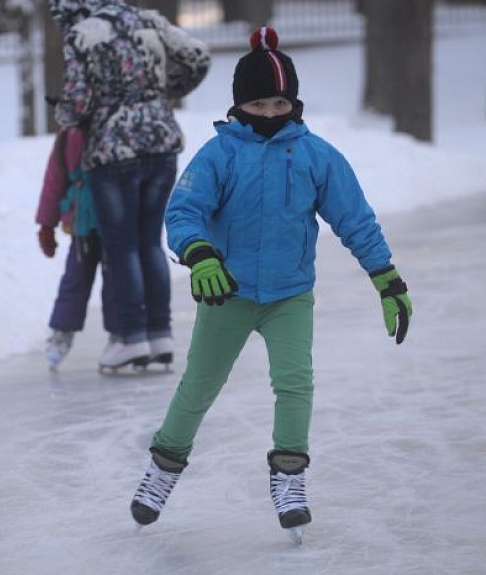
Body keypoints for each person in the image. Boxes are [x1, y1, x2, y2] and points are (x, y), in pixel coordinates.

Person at [129, 27, 413, 543]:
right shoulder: (220, 154)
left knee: (295, 383)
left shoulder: (315, 155)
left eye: (279, 101)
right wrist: (200, 255)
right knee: (199, 385)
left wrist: (386, 277)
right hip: (227, 294)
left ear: (293, 102)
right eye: (258, 103)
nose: (269, 112)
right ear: (240, 105)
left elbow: (355, 219)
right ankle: (163, 468)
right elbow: (184, 210)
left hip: (289, 295)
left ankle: (289, 475)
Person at [49, 0, 211, 370]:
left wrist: (70, 113)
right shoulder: (145, 18)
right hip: (160, 144)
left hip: (112, 150)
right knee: (149, 243)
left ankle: (132, 338)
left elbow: (77, 102)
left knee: (121, 248)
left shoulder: (82, 34)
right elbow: (198, 55)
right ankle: (160, 334)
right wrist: (161, 95)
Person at [35, 125, 119, 369]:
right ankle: (61, 333)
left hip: (115, 220)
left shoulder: (116, 125)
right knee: (74, 279)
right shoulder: (69, 135)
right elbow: (54, 179)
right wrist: (46, 224)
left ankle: (119, 334)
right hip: (81, 223)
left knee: (116, 281)